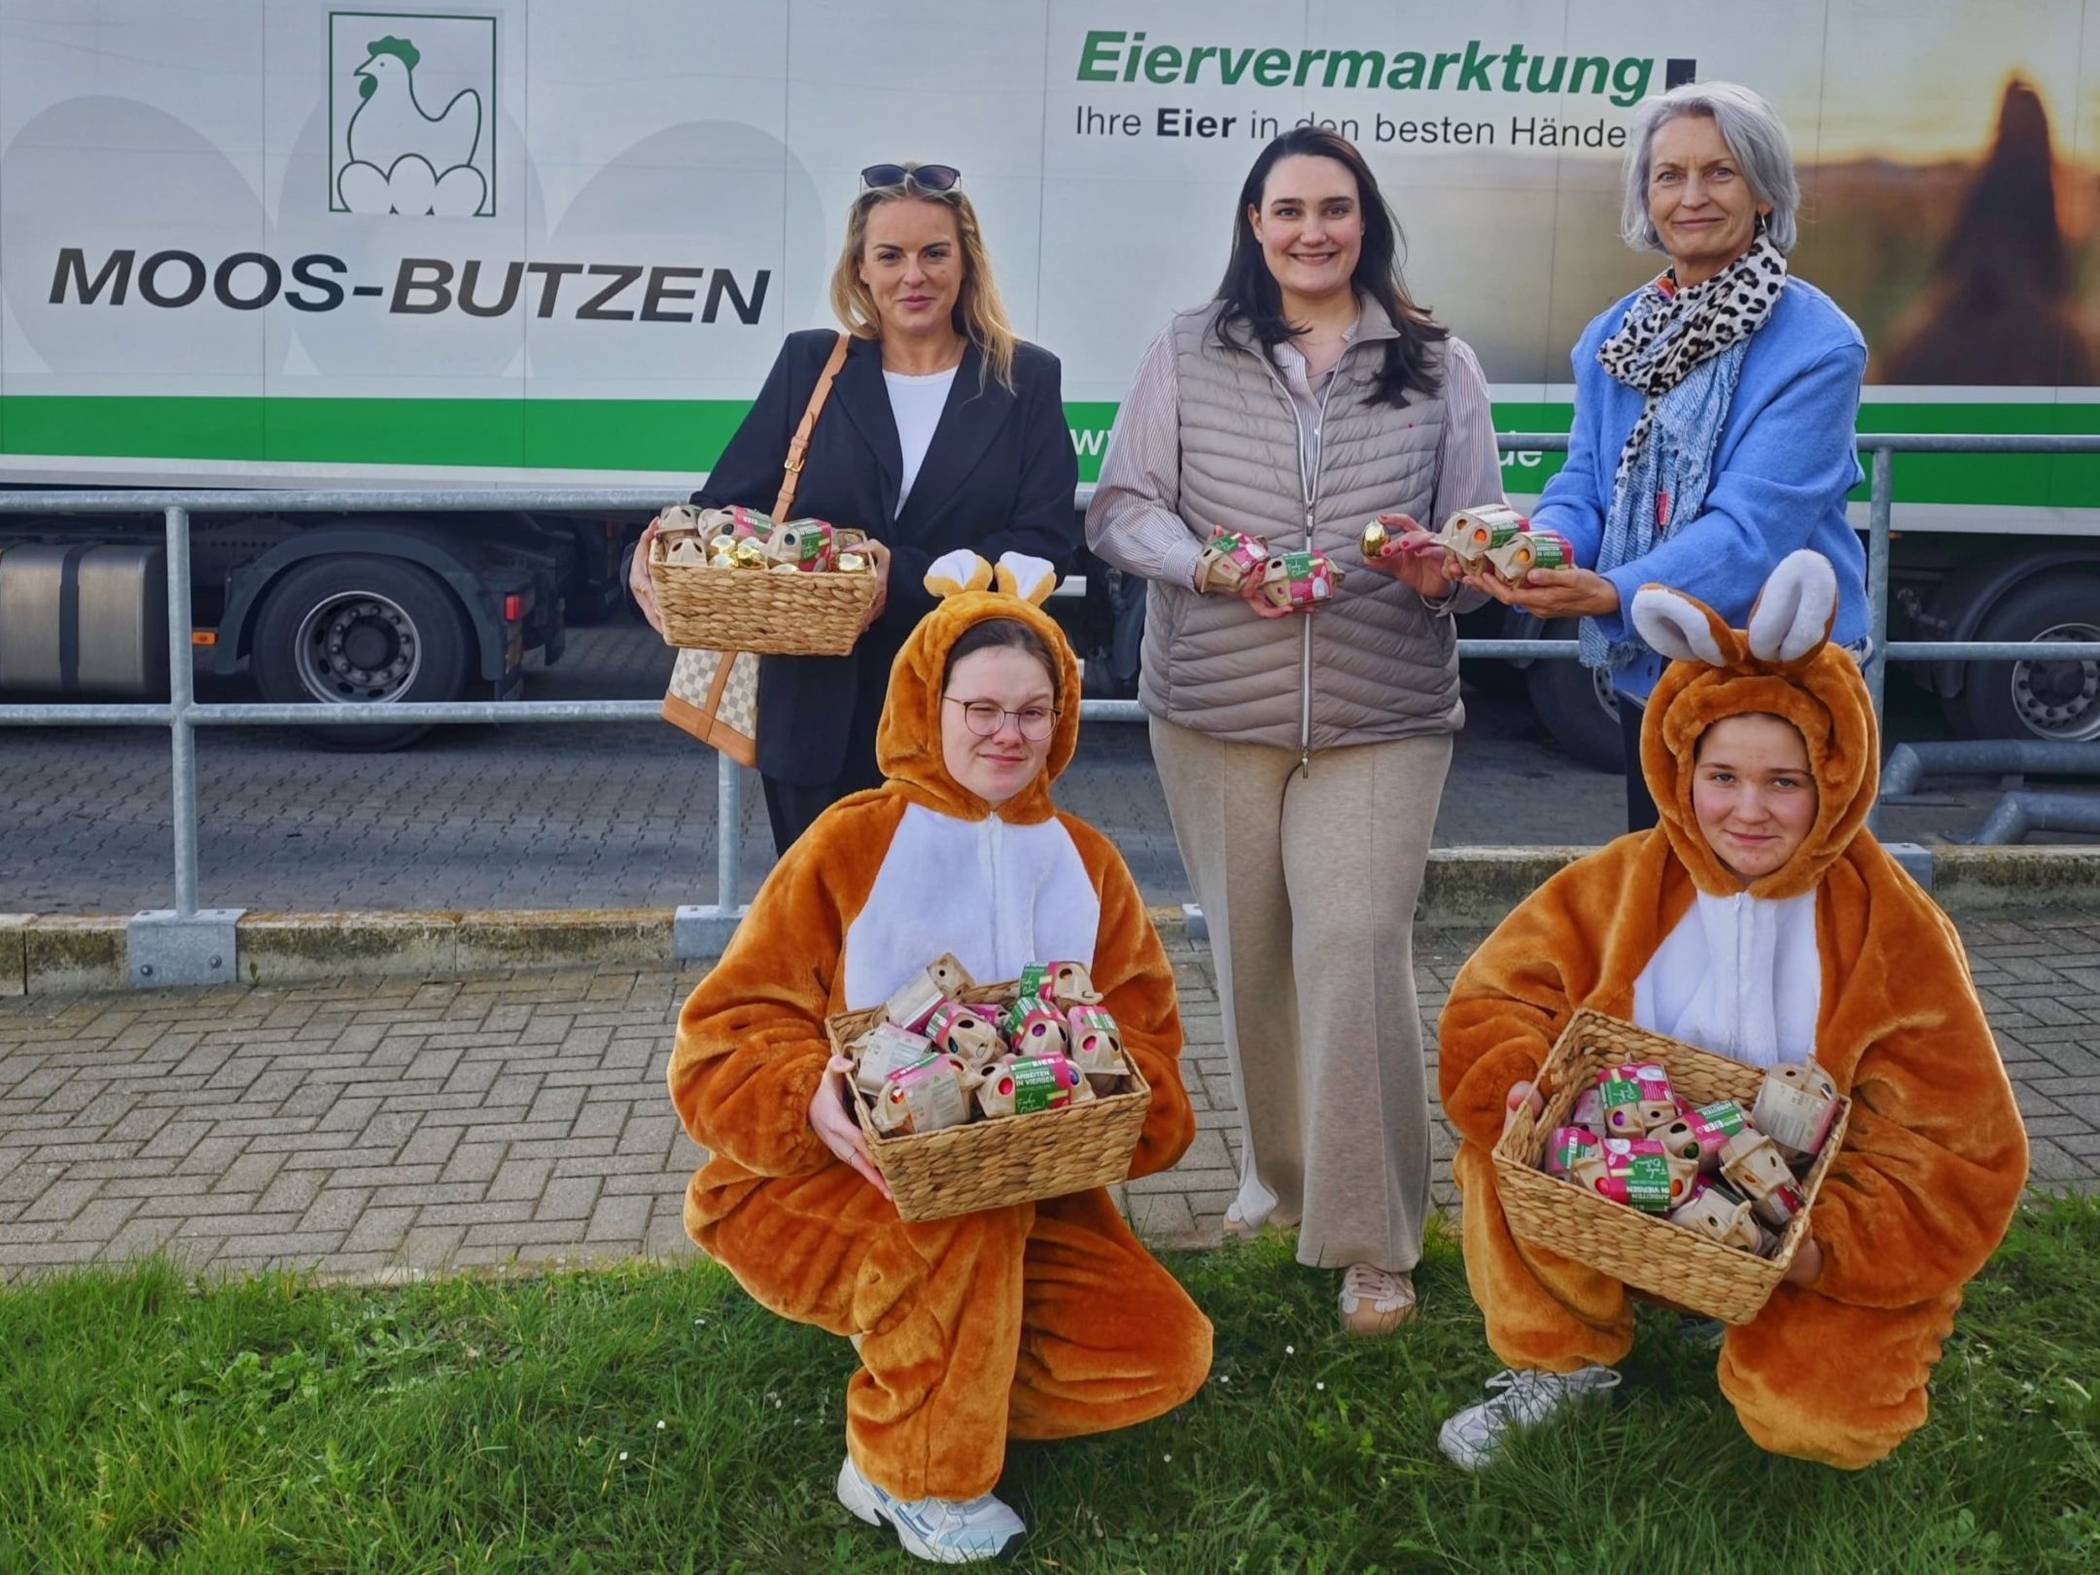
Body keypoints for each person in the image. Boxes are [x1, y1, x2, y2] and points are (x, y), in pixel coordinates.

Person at [667, 550, 1211, 1566]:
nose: (1009, 734)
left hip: (1031, 1192)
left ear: (1064, 716)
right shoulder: (850, 840)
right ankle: (908, 1470)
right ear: (931, 701)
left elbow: (1150, 1047)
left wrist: (1110, 1102)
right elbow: (724, 1034)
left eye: (1034, 712)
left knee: (1161, 1352)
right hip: (828, 1182)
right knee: (955, 1216)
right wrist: (807, 1101)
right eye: (982, 708)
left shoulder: (1090, 861)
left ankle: (946, 1370)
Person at [1435, 550, 2027, 1472]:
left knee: (1818, 1421)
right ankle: (1565, 1357)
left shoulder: (1894, 928)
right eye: (1723, 778)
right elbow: (1496, 998)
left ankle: (1764, 1313)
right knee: (1497, 1157)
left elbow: (1964, 1148)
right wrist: (1523, 1092)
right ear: (1682, 770)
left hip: (1811, 1218)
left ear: (1832, 778)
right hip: (1625, 1180)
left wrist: (1819, 1250)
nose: (1748, 812)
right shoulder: (1624, 880)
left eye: (1784, 782)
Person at [1085, 127, 1504, 1337]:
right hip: (1215, 708)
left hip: (1384, 712)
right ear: (1253, 225)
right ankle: (1282, 1176)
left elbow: (1479, 536)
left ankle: (1374, 1240)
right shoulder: (1188, 350)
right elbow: (1122, 512)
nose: (1312, 230)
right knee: (1253, 955)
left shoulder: (1438, 364)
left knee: (1356, 944)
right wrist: (1213, 565)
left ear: (1365, 221)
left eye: (1335, 208)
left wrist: (1448, 570)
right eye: (1287, 210)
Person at [631, 162, 1080, 855]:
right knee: (827, 934)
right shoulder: (812, 364)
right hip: (814, 713)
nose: (914, 275)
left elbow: (1046, 540)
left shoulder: (1023, 379)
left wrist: (898, 574)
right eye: (890, 255)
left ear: (966, 263)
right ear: (860, 269)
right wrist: (656, 546)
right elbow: (725, 508)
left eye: (935, 253)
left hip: (963, 717)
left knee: (948, 947)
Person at [1467, 81, 1871, 832]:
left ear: (1763, 194)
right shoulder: (1616, 335)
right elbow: (1586, 483)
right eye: (1669, 175)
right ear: (1645, 198)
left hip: (1777, 679)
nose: (1692, 196)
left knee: (1778, 920)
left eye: (1720, 172)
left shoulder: (1819, 345)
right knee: (1663, 904)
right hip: (1653, 677)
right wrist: (1543, 549)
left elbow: (1751, 531)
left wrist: (1612, 592)